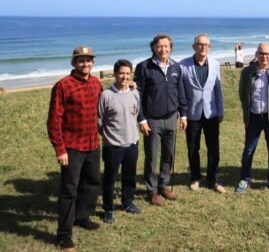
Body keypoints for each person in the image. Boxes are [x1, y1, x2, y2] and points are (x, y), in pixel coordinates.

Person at [47, 46, 103, 252]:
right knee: (69, 190)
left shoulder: (97, 83)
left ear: (93, 63)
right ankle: (64, 235)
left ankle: (82, 217)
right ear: (74, 62)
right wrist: (59, 149)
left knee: (92, 183)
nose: (85, 64)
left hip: (92, 144)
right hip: (72, 146)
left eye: (88, 60)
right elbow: (54, 120)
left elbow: (105, 107)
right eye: (81, 60)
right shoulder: (63, 86)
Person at [134, 34, 187, 206]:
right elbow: (138, 96)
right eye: (159, 46)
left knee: (168, 155)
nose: (163, 49)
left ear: (171, 48)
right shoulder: (144, 67)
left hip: (172, 117)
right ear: (153, 48)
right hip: (152, 120)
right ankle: (152, 191)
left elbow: (181, 93)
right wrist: (141, 119)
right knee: (152, 156)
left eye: (166, 46)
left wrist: (183, 114)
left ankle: (163, 185)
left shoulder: (176, 67)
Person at [235, 43, 269, 193]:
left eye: (267, 54)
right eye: (261, 53)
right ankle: (245, 178)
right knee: (249, 149)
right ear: (256, 54)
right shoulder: (247, 72)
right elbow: (242, 94)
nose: (264, 56)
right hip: (253, 117)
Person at [180, 34, 226, 193]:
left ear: (210, 47)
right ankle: (195, 177)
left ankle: (213, 179)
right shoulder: (183, 65)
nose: (203, 47)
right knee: (193, 148)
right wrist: (183, 114)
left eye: (206, 44)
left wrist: (220, 110)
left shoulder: (215, 64)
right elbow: (182, 93)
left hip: (211, 113)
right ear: (194, 46)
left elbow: (217, 89)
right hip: (192, 114)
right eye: (200, 44)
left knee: (213, 148)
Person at [98, 59, 141, 224]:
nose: (124, 76)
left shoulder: (135, 92)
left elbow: (136, 115)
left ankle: (127, 202)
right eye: (121, 73)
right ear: (115, 74)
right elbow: (99, 121)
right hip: (113, 147)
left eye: (127, 73)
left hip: (132, 144)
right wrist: (109, 136)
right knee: (110, 179)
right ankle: (108, 209)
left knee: (129, 176)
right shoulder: (106, 95)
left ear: (131, 75)